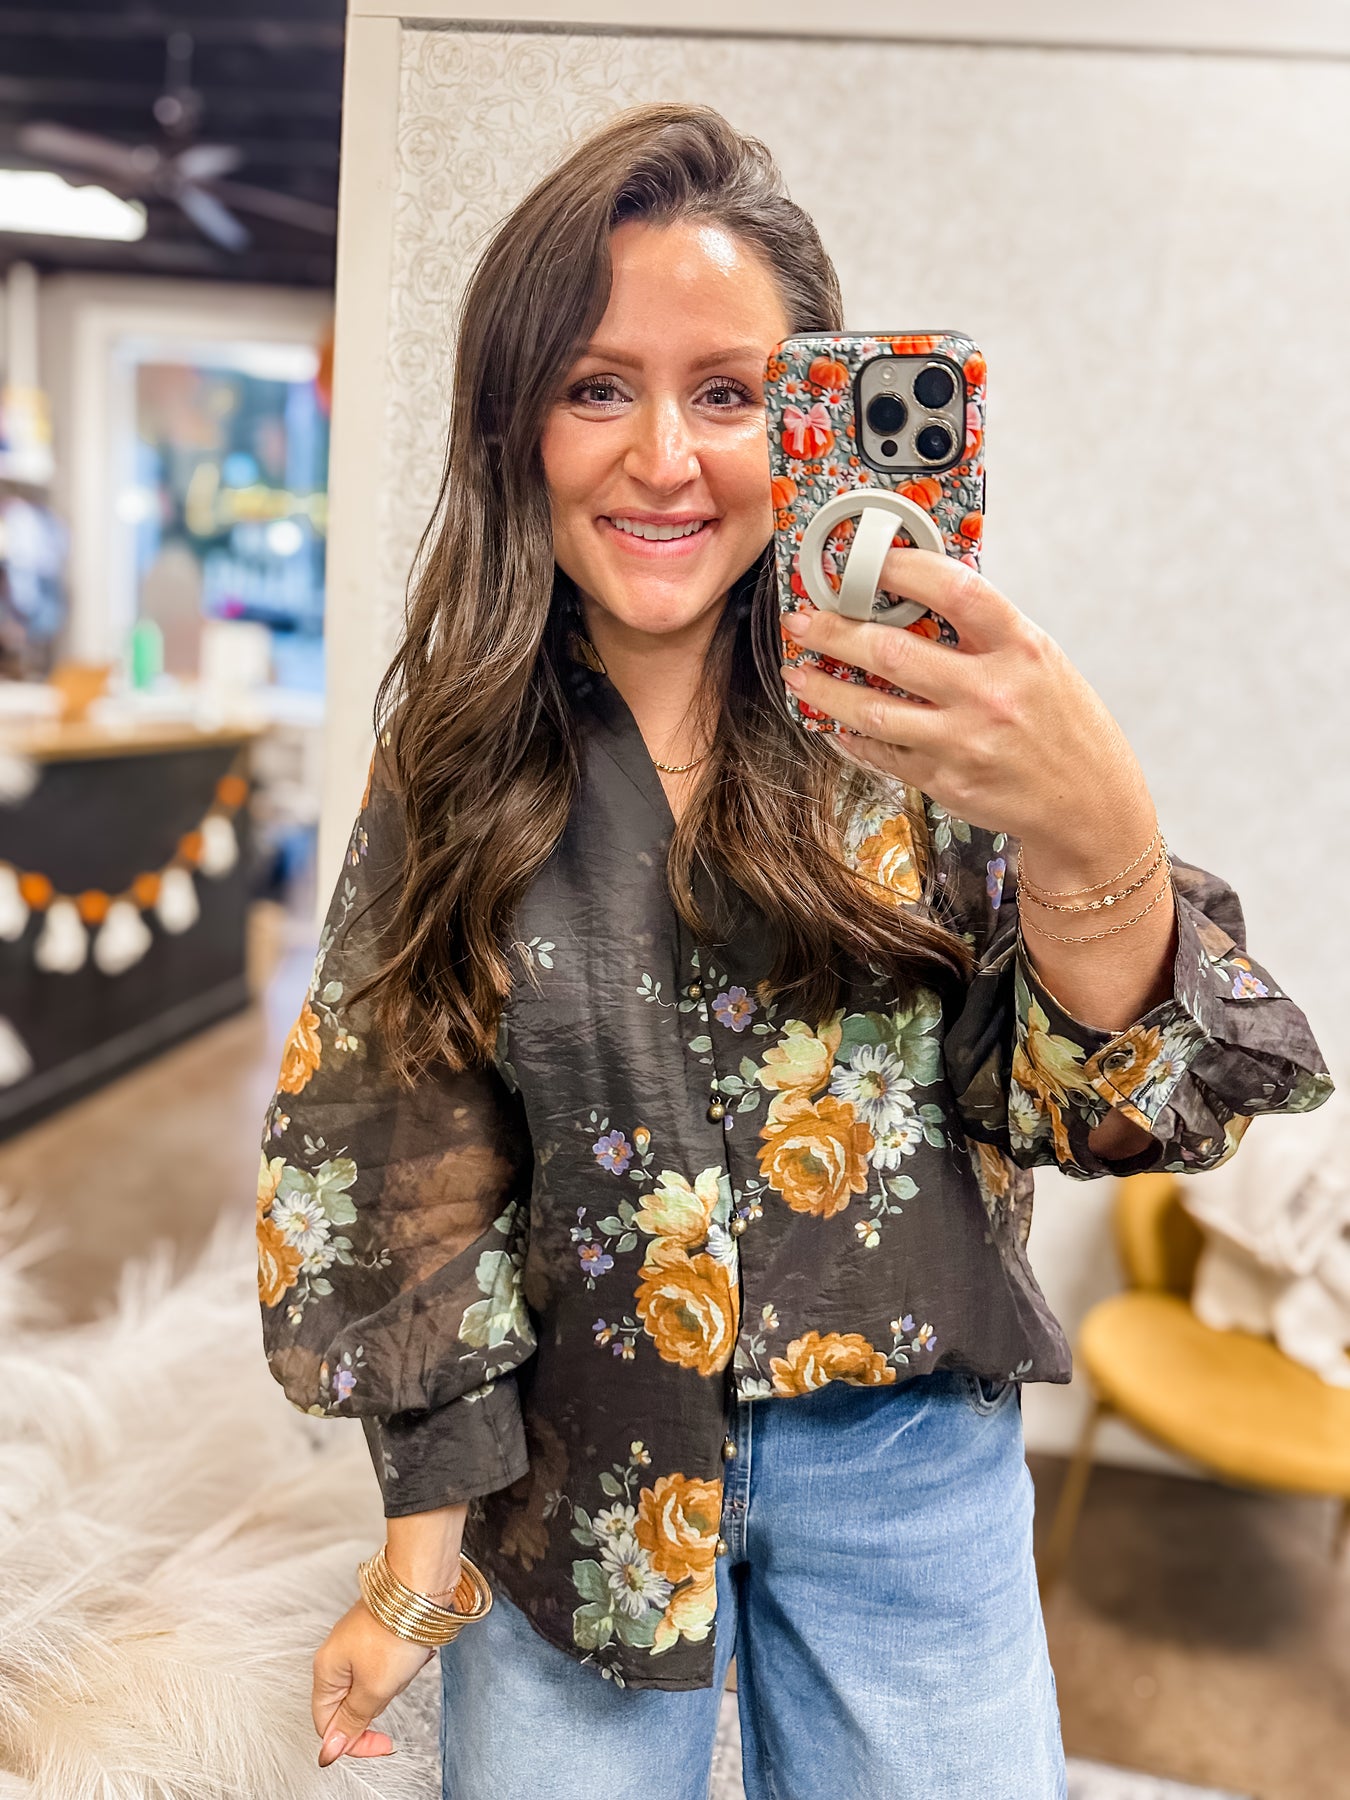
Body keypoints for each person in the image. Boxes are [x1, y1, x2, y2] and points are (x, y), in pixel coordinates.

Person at [255, 104, 1331, 1800]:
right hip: (574, 1468)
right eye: (596, 387)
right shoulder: (454, 762)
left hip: (908, 1463)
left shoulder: (931, 719)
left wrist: (1093, 826)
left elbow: (1099, 1106)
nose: (662, 457)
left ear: (812, 416)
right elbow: (393, 1145)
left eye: (728, 394)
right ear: (515, 421)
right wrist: (416, 1556)